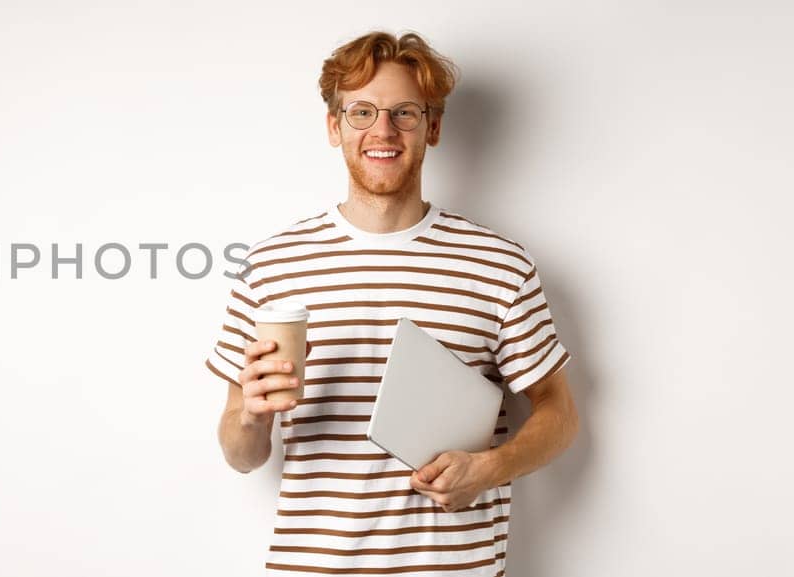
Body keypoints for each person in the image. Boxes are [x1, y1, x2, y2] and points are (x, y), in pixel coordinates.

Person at [206, 31, 580, 575]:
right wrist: (253, 417)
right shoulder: (272, 265)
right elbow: (240, 456)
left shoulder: (499, 264)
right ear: (335, 127)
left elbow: (561, 415)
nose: (382, 131)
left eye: (404, 112)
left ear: (432, 126)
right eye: (361, 112)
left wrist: (490, 468)